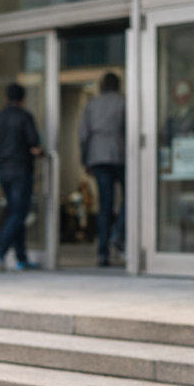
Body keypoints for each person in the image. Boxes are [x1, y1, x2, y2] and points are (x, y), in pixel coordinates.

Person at [0, 82, 42, 271]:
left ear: (6, 99)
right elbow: (34, 144)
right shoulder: (25, 117)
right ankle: (0, 248)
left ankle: (21, 258)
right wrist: (40, 152)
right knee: (19, 213)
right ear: (23, 99)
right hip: (20, 171)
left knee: (15, 213)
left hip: (2, 172)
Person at [79, 72, 126, 267]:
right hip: (120, 153)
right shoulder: (124, 102)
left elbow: (82, 135)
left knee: (105, 204)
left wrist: (85, 160)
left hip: (97, 155)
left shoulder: (91, 104)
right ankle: (118, 234)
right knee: (129, 199)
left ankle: (102, 253)